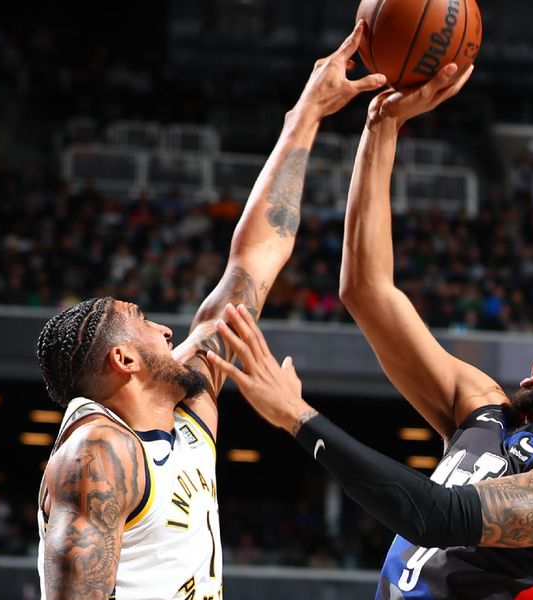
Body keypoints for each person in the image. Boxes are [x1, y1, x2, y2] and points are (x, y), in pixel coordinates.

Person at [204, 64, 533, 600]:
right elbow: (366, 290)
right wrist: (381, 128)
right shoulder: (483, 409)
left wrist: (298, 417)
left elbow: (437, 517)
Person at [34, 24, 386, 600]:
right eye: (147, 324)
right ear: (124, 360)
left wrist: (307, 113)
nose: (169, 329)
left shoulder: (189, 414)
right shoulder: (97, 453)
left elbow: (252, 262)